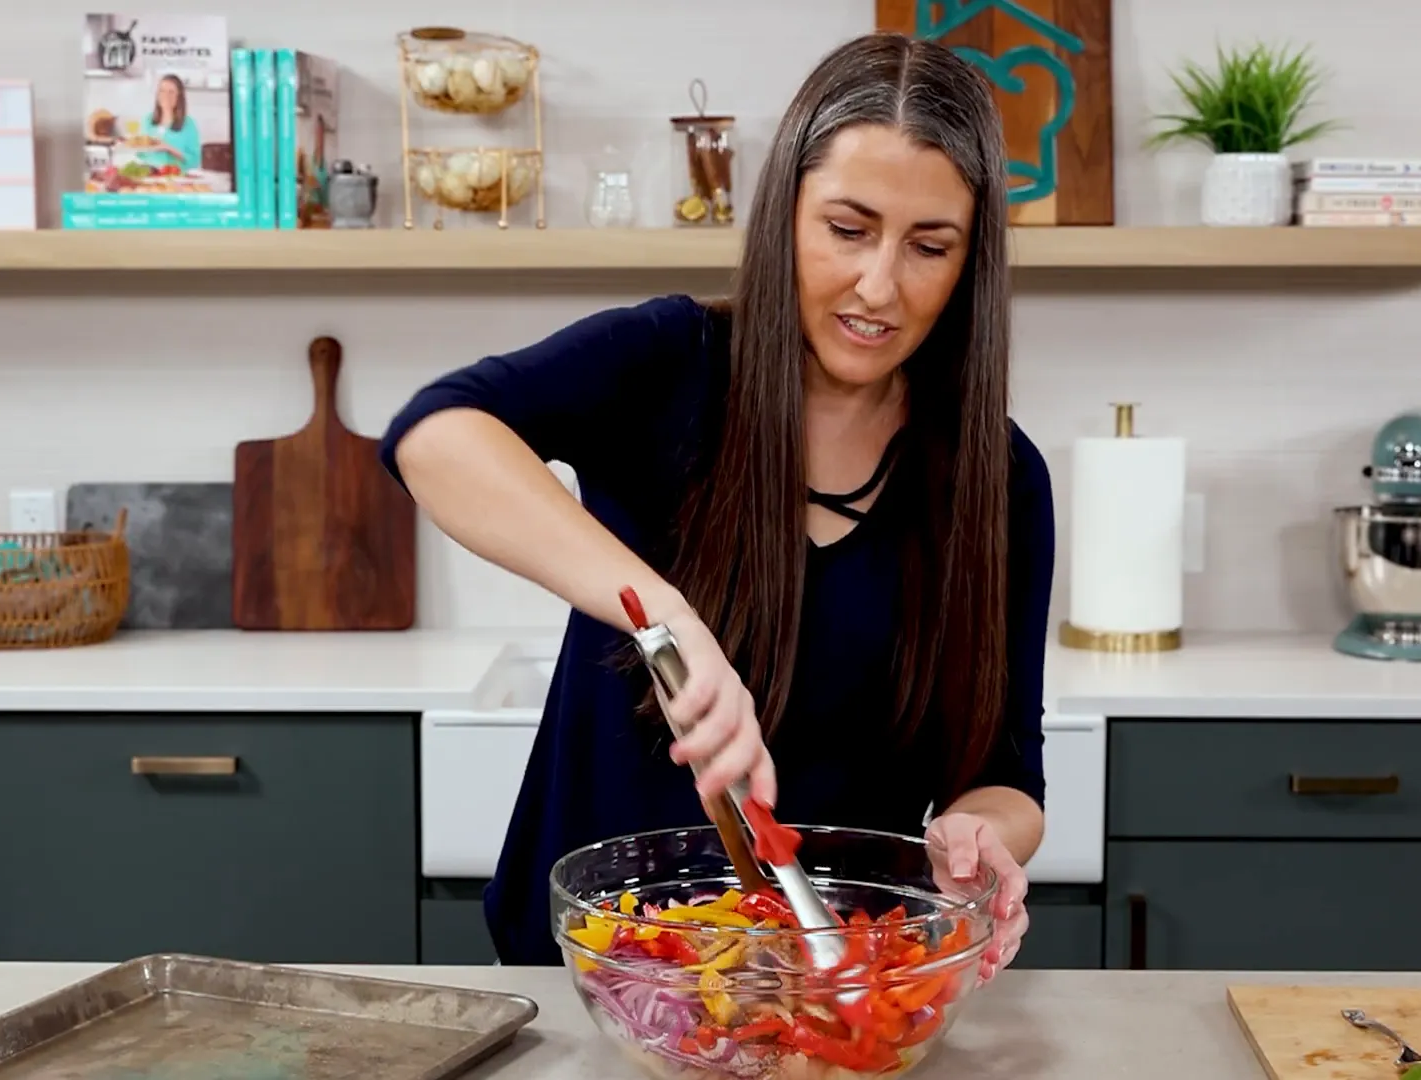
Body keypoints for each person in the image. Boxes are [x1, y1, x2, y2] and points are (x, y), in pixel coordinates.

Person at [382, 31, 1055, 979]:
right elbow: (434, 433)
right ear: (785, 214)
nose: (879, 286)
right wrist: (662, 614)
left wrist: (981, 836)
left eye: (929, 247)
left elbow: (1006, 773)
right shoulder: (670, 365)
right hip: (593, 977)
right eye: (848, 229)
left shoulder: (1000, 478)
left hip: (834, 989)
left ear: (972, 261)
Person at [136, 74, 200, 171]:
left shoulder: (188, 124)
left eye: (171, 92)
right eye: (162, 91)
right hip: (150, 177)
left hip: (177, 178)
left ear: (179, 97)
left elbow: (195, 160)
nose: (166, 96)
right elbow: (140, 154)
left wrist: (169, 148)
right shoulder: (148, 120)